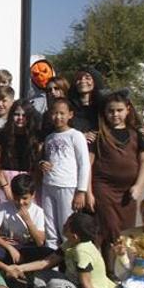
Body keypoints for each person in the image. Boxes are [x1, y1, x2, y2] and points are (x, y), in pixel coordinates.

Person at [12, 213, 117, 288]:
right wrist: (20, 268)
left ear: (75, 236)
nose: (63, 225)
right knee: (40, 274)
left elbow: (86, 282)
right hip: (73, 283)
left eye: (67, 225)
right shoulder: (70, 243)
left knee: (53, 285)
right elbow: (47, 262)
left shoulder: (82, 251)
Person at [88, 92, 144, 260]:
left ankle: (121, 269)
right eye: (111, 111)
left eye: (119, 110)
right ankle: (109, 272)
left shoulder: (138, 135)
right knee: (109, 229)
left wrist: (138, 186)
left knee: (124, 231)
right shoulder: (98, 135)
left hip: (128, 191)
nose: (115, 114)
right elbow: (89, 164)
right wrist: (88, 192)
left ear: (128, 110)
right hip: (104, 189)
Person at [40, 98, 90, 249]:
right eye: (54, 113)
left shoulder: (75, 136)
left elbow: (84, 164)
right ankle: (50, 267)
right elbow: (46, 160)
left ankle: (69, 267)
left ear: (70, 115)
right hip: (48, 185)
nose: (58, 117)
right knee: (50, 229)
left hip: (67, 186)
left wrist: (81, 191)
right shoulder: (49, 137)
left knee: (67, 228)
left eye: (62, 113)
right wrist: (42, 164)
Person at [0, 100, 42, 215]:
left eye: (24, 115)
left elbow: (37, 166)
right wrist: (6, 187)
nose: (20, 118)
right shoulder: (0, 137)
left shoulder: (36, 138)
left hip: (28, 183)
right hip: (4, 181)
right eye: (17, 114)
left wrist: (33, 187)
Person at [0, 174, 53, 265]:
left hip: (26, 248)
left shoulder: (38, 211)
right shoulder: (4, 207)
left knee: (46, 253)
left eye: (25, 198)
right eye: (17, 198)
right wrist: (10, 248)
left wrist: (28, 220)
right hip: (6, 246)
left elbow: (40, 242)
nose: (21, 202)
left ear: (33, 195)